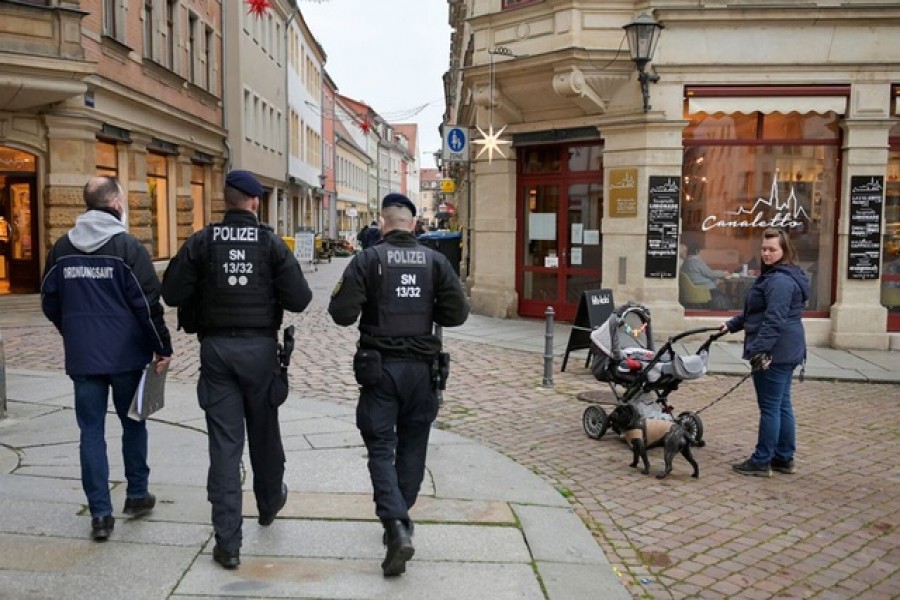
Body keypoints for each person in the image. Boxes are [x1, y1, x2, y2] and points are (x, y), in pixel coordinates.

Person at [160, 170, 312, 570]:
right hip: (260, 350)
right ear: (256, 202)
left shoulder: (202, 241)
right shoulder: (270, 243)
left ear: (224, 201)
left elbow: (171, 292)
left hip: (217, 351)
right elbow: (300, 299)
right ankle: (267, 503)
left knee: (225, 447)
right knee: (264, 434)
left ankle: (228, 541)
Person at [328, 193, 469, 577]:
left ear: (383, 223)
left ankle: (394, 525)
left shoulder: (369, 259)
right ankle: (401, 520)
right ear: (413, 224)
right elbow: (457, 314)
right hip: (423, 372)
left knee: (380, 446)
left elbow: (341, 314)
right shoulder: (436, 261)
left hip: (381, 369)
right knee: (413, 446)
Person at [40, 175, 173, 541]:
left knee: (90, 432)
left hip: (83, 358)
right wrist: (162, 347)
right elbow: (148, 306)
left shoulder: (62, 248)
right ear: (115, 203)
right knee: (133, 422)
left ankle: (100, 514)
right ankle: (136, 494)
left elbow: (48, 300)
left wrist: (74, 331)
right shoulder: (127, 247)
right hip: (127, 356)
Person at [721, 227, 810, 477]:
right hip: (786, 348)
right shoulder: (779, 275)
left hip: (776, 351)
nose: (767, 253)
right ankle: (783, 458)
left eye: (772, 249)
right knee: (781, 404)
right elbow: (757, 312)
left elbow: (774, 320)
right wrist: (732, 325)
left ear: (784, 251)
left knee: (771, 407)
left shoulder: (780, 280)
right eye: (764, 249)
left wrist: (760, 351)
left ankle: (762, 461)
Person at [681, 243, 730, 309]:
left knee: (719, 284)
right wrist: (724, 273)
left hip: (696, 288)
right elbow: (710, 273)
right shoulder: (696, 261)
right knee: (724, 295)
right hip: (705, 289)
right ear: (697, 251)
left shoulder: (686, 262)